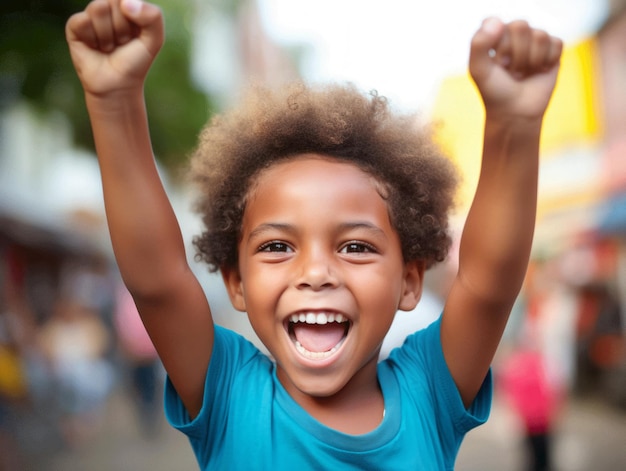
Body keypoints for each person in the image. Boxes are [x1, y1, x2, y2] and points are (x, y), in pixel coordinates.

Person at [65, 0, 562, 468]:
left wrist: (514, 125)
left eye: (356, 246)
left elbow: (488, 284)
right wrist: (113, 102)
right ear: (235, 282)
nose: (317, 272)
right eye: (278, 246)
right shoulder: (227, 390)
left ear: (410, 280)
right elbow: (159, 281)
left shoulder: (429, 389)